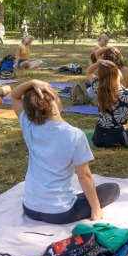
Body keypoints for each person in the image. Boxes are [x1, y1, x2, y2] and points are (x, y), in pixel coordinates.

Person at [11, 79, 120, 224]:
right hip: (61, 212)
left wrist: (32, 82)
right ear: (54, 99)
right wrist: (95, 208)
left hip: (30, 208)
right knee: (112, 189)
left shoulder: (28, 124)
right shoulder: (74, 135)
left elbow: (14, 96)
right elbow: (84, 176)